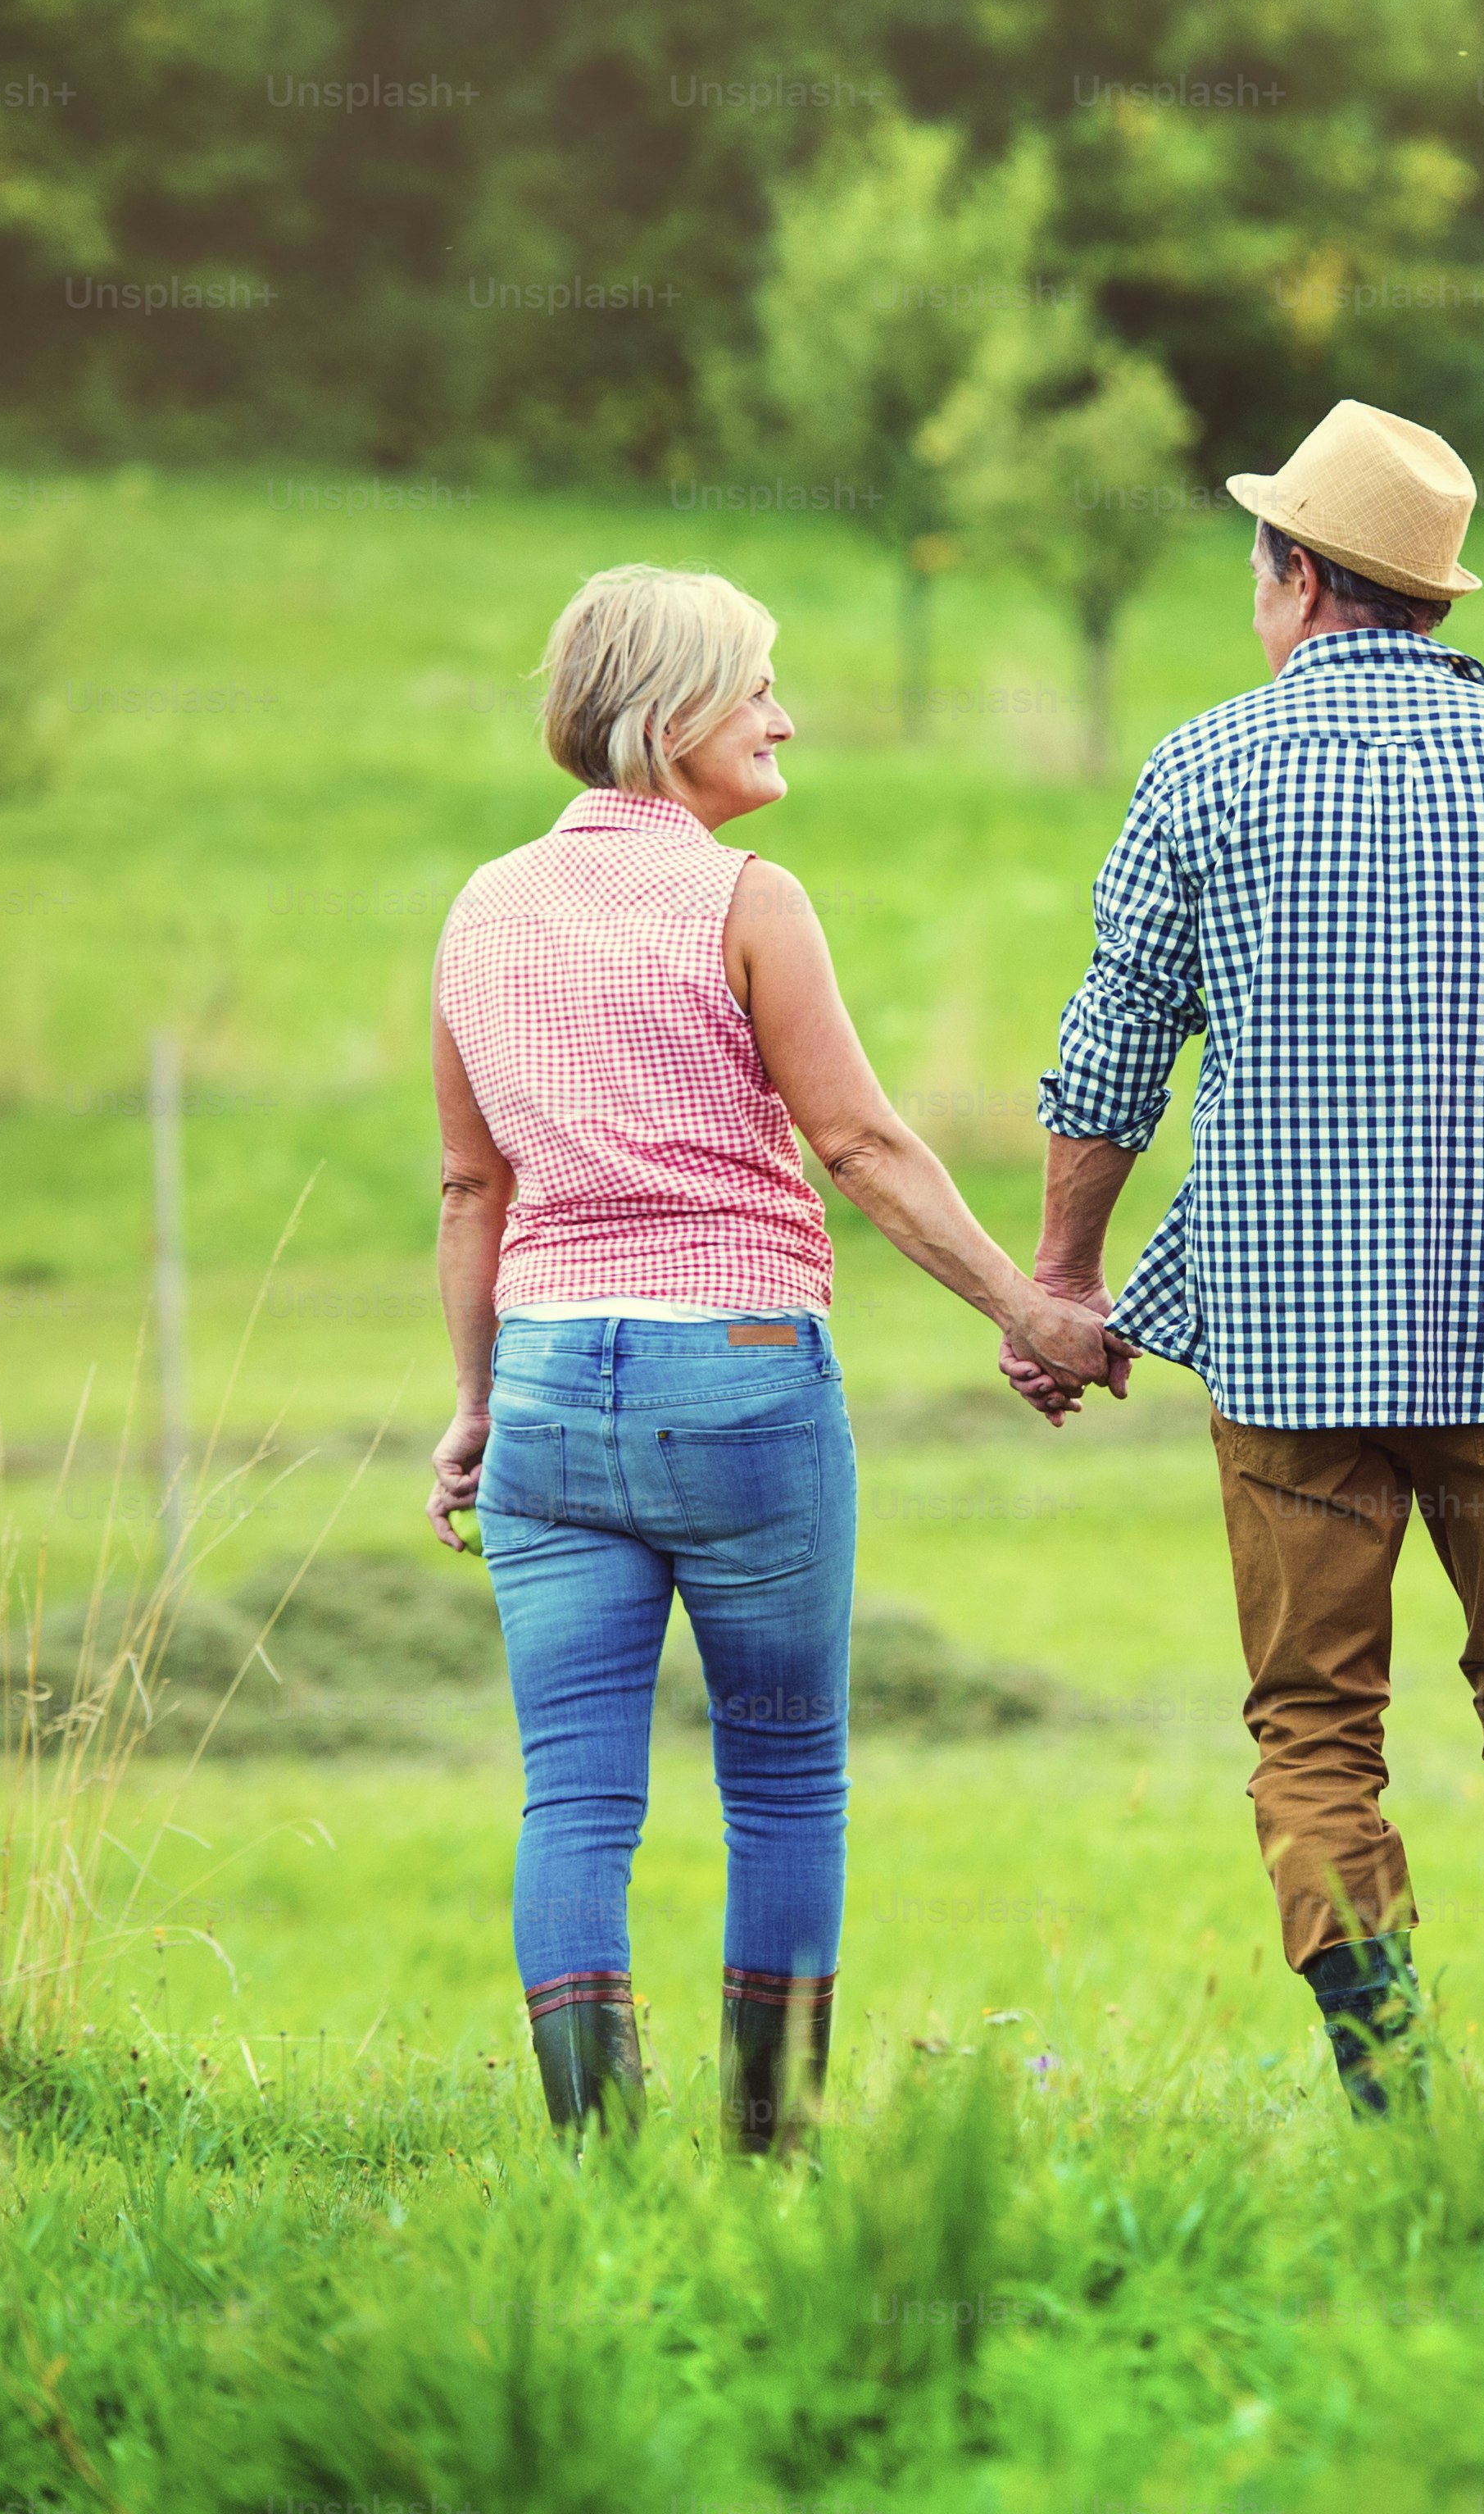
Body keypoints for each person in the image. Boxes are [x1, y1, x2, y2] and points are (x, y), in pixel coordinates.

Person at [1005, 400, 1484, 2113]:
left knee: (1312, 1727)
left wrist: (1065, 1281)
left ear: (1299, 578)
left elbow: (1110, 1057)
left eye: (1261, 563)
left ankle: (1401, 2103)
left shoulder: (1202, 769)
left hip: (1282, 1355)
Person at [429, 563, 1115, 2153]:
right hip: (737, 1373)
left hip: (545, 1387)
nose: (783, 716)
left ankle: (600, 2164)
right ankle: (770, 2150)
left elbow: (475, 1187)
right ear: (669, 715)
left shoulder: (479, 909)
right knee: (789, 1779)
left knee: (576, 1797)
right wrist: (1027, 1307)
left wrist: (473, 1406)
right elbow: (862, 1144)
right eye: (757, 688)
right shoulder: (749, 903)